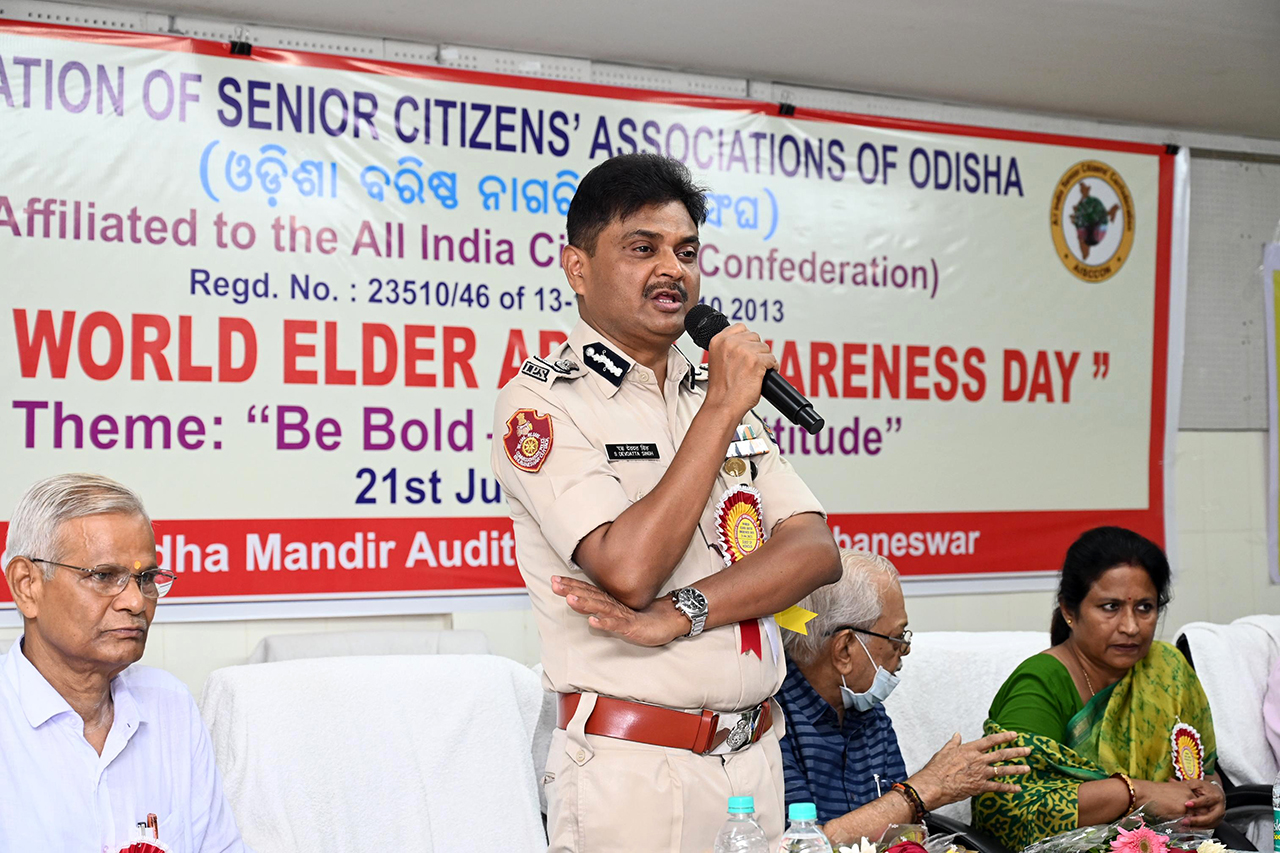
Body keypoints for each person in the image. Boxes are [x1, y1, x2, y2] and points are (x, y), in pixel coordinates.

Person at [490, 152, 842, 853]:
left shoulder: (711, 391)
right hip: (634, 774)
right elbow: (628, 569)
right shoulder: (542, 403)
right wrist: (720, 409)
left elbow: (813, 550)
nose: (671, 270)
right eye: (641, 248)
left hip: (754, 760)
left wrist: (683, 612)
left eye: (686, 252)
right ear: (577, 268)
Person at [0, 473, 251, 853]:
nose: (135, 601)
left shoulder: (169, 704)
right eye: (104, 576)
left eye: (145, 577)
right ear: (26, 585)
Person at [973, 526, 1225, 850]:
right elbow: (1007, 813)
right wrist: (1138, 794)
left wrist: (1213, 796)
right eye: (1110, 607)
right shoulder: (1040, 683)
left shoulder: (1168, 670)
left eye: (1145, 608)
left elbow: (1204, 772)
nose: (1130, 627)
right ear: (1069, 610)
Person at [778, 549, 1031, 846]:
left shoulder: (868, 712)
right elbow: (802, 846)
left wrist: (922, 797)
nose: (905, 651)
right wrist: (925, 788)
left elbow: (902, 832)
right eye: (897, 638)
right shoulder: (769, 721)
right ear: (845, 649)